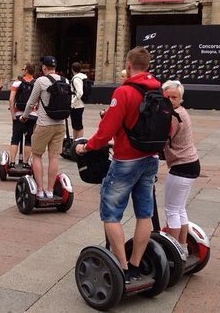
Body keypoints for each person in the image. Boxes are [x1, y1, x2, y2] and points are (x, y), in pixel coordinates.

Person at [75, 46, 161, 284]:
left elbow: (105, 134)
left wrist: (86, 147)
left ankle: (122, 268)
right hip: (151, 158)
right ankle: (136, 264)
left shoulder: (124, 92)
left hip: (126, 160)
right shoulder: (159, 89)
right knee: (145, 213)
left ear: (129, 65)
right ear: (147, 66)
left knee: (110, 214)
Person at [161, 80, 200, 257]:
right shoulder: (182, 112)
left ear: (180, 98)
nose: (170, 100)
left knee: (171, 211)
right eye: (167, 97)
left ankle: (172, 253)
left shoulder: (174, 116)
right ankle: (182, 247)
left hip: (181, 166)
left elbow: (162, 137)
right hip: (191, 164)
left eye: (174, 97)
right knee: (180, 209)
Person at [21, 56, 65, 198]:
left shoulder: (41, 81)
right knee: (54, 158)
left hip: (44, 124)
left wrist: (25, 116)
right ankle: (50, 191)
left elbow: (31, 102)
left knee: (37, 156)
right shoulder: (65, 80)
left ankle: (39, 190)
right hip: (60, 124)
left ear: (44, 68)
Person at [8, 63, 37, 166]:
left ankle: (11, 162)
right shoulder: (37, 83)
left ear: (26, 71)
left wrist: (13, 114)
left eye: (23, 69)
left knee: (15, 138)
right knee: (29, 139)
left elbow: (11, 100)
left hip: (19, 113)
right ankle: (25, 163)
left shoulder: (17, 83)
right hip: (33, 114)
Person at [70, 62, 87, 139]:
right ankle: (75, 141)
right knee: (75, 125)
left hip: (77, 106)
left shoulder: (76, 79)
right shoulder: (83, 77)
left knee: (78, 126)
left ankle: (78, 142)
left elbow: (80, 92)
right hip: (80, 105)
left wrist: (72, 101)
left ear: (72, 69)